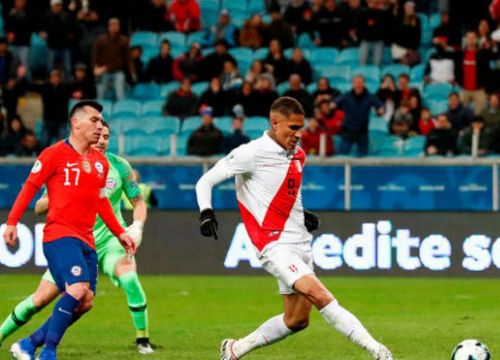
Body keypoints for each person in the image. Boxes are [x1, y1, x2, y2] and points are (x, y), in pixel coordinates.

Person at [195, 97, 393, 360]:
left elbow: (287, 193)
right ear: (274, 123)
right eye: (293, 128)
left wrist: (302, 214)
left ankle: (235, 349)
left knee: (297, 319)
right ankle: (378, 352)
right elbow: (205, 181)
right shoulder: (250, 153)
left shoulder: (298, 155)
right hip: (273, 244)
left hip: (300, 242)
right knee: (319, 294)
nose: (299, 134)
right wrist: (206, 212)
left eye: (301, 128)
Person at [0, 122, 154, 354]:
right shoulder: (67, 165)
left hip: (109, 241)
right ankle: (14, 339)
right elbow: (39, 207)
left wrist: (136, 228)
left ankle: (143, 341)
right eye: (98, 135)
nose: (102, 140)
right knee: (40, 299)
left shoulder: (118, 166)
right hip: (72, 240)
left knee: (125, 280)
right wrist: (63, 193)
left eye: (106, 136)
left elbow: (137, 202)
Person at [334, 75, 384, 156]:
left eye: (360, 83)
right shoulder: (346, 96)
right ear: (353, 84)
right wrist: (331, 105)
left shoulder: (369, 96)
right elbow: (334, 103)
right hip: (348, 131)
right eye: (356, 83)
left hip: (362, 132)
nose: (358, 85)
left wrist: (381, 109)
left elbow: (380, 106)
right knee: (342, 156)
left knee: (363, 158)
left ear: (364, 84)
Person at [92, 18, 129, 100]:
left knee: (120, 94)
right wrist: (95, 68)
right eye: (113, 25)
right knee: (100, 96)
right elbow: (95, 56)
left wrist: (105, 68)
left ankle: (120, 110)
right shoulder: (101, 40)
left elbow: (124, 60)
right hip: (102, 71)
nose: (115, 27)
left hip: (117, 71)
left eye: (117, 25)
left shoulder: (124, 40)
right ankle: (99, 112)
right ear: (109, 27)